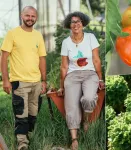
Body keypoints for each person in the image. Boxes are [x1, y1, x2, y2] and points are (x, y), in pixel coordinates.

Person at [1, 6, 47, 150]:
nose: (30, 19)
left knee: (33, 113)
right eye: (27, 15)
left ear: (36, 18)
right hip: (19, 82)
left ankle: (29, 134)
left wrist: (44, 80)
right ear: (22, 15)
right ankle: (22, 143)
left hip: (36, 82)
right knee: (21, 113)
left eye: (33, 16)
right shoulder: (12, 34)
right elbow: (4, 58)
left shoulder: (38, 35)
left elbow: (42, 59)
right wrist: (6, 80)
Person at [57, 11, 105, 150]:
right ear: (69, 25)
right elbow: (64, 66)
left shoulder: (90, 38)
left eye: (78, 21)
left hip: (90, 74)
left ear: (83, 23)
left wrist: (100, 78)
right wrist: (61, 86)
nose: (76, 24)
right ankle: (74, 139)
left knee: (89, 98)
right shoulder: (66, 42)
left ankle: (85, 119)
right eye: (73, 22)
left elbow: (96, 60)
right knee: (71, 106)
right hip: (72, 76)